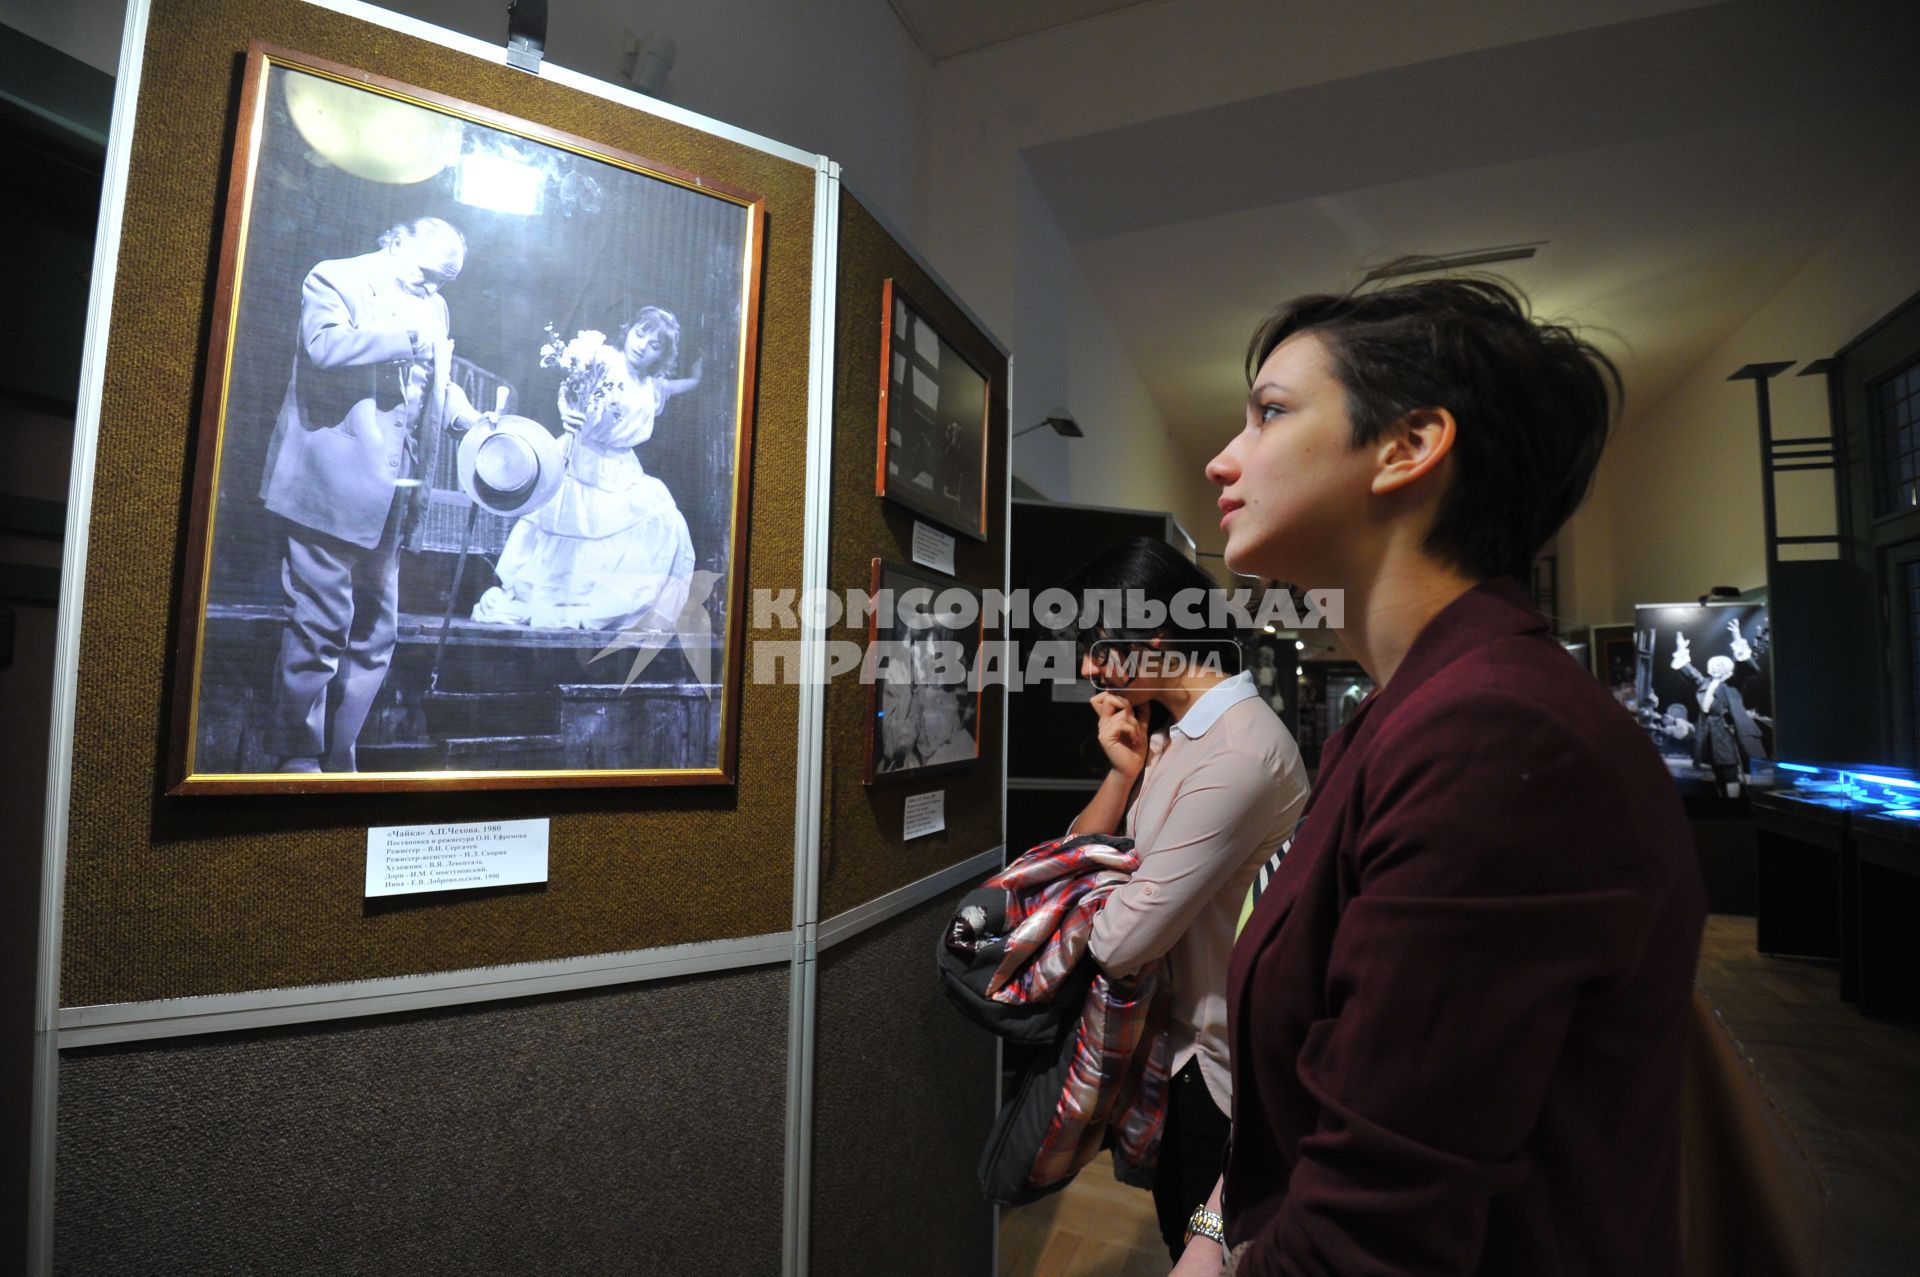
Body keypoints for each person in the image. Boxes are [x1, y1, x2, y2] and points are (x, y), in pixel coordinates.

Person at [1189, 277, 1705, 1276]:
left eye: (1272, 412)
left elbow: (1379, 1231)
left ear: (1408, 445)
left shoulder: (1495, 731)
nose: (1224, 457)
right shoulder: (1406, 713)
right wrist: (1218, 1231)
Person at [1062, 537, 1309, 1263]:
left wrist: (1096, 897)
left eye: (1097, 643)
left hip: (1221, 1070)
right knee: (1185, 1236)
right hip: (1172, 1056)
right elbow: (1081, 853)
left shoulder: (1234, 750)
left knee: (1210, 1248)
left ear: (1156, 632)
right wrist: (1124, 771)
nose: (1085, 668)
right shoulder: (1176, 739)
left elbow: (1115, 941)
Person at [259, 216, 485, 772]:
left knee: (375, 636)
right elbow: (323, 347)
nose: (432, 289)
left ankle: (339, 755)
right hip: (330, 486)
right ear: (396, 239)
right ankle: (296, 756)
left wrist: (473, 425)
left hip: (394, 494)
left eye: (442, 283)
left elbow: (436, 378)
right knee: (319, 626)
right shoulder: (335, 278)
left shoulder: (432, 304)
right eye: (426, 274)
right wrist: (409, 336)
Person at [474, 305, 698, 631]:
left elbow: (669, 387)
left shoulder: (651, 384)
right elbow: (571, 390)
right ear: (629, 329)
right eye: (640, 333)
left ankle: (605, 605)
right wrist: (568, 414)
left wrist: (696, 380)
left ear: (661, 355)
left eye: (655, 345)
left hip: (620, 467)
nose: (642, 345)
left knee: (663, 519)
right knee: (574, 531)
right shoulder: (603, 358)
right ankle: (560, 602)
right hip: (580, 455)